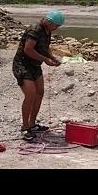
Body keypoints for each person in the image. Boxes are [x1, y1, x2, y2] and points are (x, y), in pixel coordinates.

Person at [12, 10, 64, 141]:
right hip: (22, 64)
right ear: (49, 21)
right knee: (30, 94)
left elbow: (45, 47)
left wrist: (51, 57)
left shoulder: (47, 31)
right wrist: (45, 60)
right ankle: (25, 127)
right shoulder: (35, 30)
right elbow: (28, 49)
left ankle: (32, 124)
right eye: (56, 26)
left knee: (40, 93)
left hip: (35, 65)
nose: (56, 29)